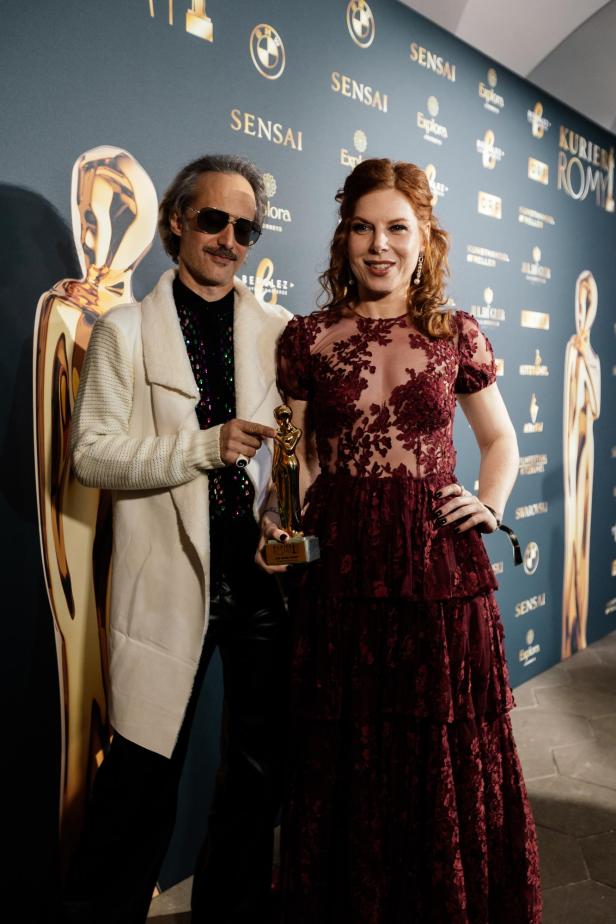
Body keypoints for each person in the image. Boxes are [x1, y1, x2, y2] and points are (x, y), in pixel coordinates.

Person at [261, 159, 541, 923]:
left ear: (424, 240)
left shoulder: (455, 333)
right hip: (341, 558)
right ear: (342, 236)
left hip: (436, 565)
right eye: (362, 227)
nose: (378, 245)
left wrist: (488, 504)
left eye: (396, 228)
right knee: (345, 740)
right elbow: (291, 452)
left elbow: (503, 439)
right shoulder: (306, 337)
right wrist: (279, 518)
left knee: (439, 740)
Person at [60, 153, 292, 924]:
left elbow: (297, 460)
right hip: (168, 581)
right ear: (177, 223)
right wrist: (202, 444)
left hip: (261, 580)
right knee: (140, 774)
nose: (229, 239)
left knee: (257, 777)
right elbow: (91, 456)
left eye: (245, 227)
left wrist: (282, 521)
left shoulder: (280, 333)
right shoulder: (124, 332)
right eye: (214, 220)